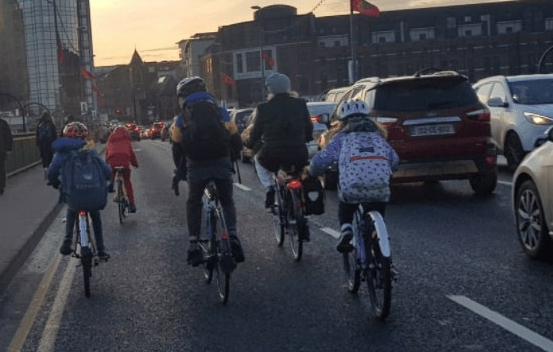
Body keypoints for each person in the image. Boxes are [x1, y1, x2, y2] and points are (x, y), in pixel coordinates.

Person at [169, 76, 245, 266]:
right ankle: (233, 236)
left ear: (184, 96)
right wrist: (233, 157)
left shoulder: (182, 117)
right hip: (221, 162)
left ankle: (194, 244)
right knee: (227, 201)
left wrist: (180, 171)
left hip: (197, 166)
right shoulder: (219, 112)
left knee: (194, 202)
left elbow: (177, 147)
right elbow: (234, 137)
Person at [309, 99, 399, 253]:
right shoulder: (377, 137)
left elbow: (320, 161)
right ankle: (380, 241)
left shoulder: (341, 138)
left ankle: (346, 229)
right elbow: (394, 160)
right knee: (378, 206)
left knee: (346, 205)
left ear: (343, 121)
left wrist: (313, 172)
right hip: (380, 188)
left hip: (352, 189)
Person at [244, 73, 315, 239]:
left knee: (258, 160)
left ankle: (269, 188)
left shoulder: (263, 108)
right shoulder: (300, 103)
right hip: (298, 152)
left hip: (272, 154)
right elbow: (308, 126)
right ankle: (301, 212)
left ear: (270, 89)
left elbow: (256, 133)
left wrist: (249, 143)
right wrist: (305, 138)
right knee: (299, 175)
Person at [47, 121, 111, 259]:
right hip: (93, 191)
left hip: (74, 192)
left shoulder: (63, 153)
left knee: (71, 209)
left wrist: (54, 182)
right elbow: (105, 169)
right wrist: (107, 179)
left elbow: (52, 171)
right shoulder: (90, 150)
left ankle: (67, 241)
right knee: (95, 216)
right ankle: (101, 250)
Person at [104, 125, 139, 213]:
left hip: (113, 161)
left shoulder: (110, 139)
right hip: (124, 162)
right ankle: (132, 204)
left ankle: (111, 184)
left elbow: (107, 153)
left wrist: (106, 162)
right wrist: (135, 164)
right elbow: (131, 155)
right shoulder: (126, 140)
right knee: (127, 182)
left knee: (113, 170)